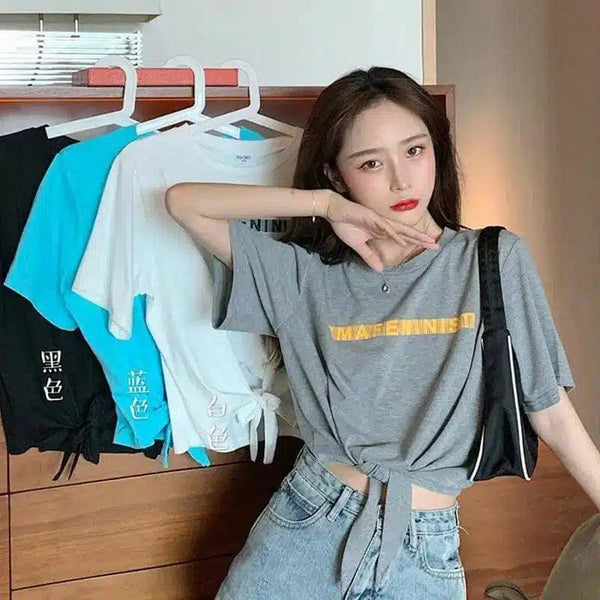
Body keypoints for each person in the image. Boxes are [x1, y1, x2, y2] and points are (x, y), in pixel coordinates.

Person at [165, 67, 600, 600]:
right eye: (371, 162)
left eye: (414, 151)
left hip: (425, 545)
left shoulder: (492, 260)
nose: (401, 180)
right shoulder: (305, 277)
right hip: (308, 524)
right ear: (336, 175)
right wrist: (323, 206)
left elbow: (548, 407)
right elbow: (182, 202)